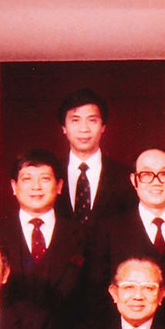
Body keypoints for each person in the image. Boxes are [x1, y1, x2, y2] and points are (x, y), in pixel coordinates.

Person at [84, 148, 165, 321]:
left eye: (164, 174)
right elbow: (97, 293)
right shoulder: (108, 229)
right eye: (146, 174)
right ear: (134, 180)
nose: (156, 182)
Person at [0, 149, 88, 316]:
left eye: (45, 179)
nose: (36, 187)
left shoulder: (85, 236)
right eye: (27, 179)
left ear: (59, 186)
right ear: (14, 186)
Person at [53, 88, 134, 226]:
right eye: (75, 120)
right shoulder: (52, 174)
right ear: (64, 127)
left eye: (92, 120)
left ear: (103, 127)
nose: (84, 129)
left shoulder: (125, 177)